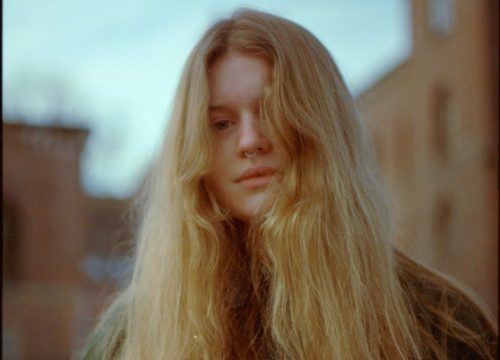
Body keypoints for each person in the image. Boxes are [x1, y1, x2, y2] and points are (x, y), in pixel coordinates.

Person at [80, 9, 497, 359]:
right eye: (222, 124)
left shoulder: (439, 324)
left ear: (322, 127)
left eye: (275, 111)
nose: (250, 141)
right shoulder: (131, 338)